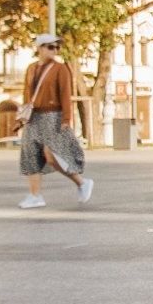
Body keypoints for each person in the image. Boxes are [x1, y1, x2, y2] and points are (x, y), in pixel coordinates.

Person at [17, 33, 92, 209]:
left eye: (57, 47)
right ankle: (35, 196)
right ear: (40, 48)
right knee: (30, 155)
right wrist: (21, 117)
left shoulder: (60, 69)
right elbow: (27, 93)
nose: (55, 50)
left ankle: (81, 182)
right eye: (51, 47)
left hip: (53, 115)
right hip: (33, 116)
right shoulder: (31, 69)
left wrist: (66, 118)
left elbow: (65, 94)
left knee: (52, 155)